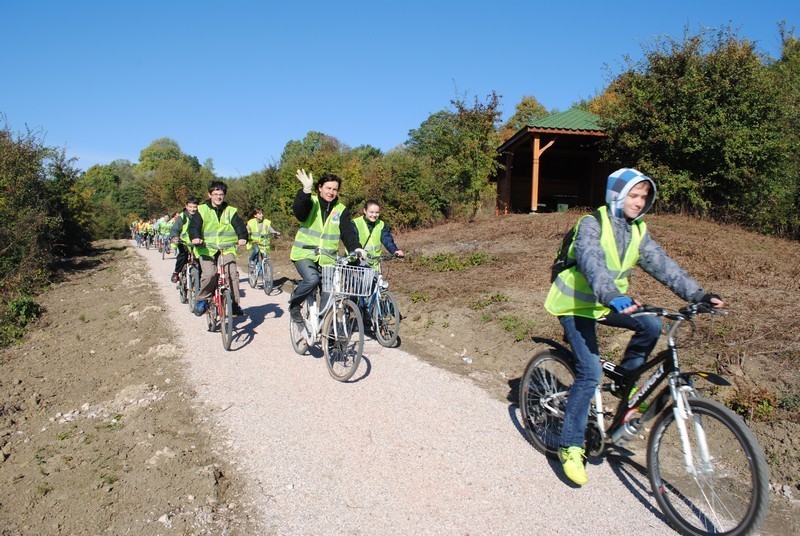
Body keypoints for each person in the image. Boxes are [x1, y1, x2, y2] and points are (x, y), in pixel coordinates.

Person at [543, 167, 724, 486]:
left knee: (652, 326)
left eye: (644, 196)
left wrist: (700, 295)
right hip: (575, 304)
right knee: (589, 372)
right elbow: (591, 261)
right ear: (617, 194)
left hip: (607, 302)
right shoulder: (591, 223)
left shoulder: (638, 231)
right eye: (633, 195)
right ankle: (570, 447)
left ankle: (626, 382)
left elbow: (664, 266)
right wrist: (613, 294)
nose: (639, 202)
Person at [287, 169, 363, 323]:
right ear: (320, 188)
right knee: (312, 279)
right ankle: (295, 303)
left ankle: (324, 330)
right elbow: (299, 212)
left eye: (335, 189)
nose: (331, 192)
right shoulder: (311, 202)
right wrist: (305, 191)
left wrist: (356, 248)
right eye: (328, 188)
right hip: (304, 254)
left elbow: (348, 233)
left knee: (328, 293)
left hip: (328, 258)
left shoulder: (340, 210)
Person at [188, 181, 249, 318]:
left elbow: (239, 226)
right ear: (209, 195)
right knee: (209, 274)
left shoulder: (230, 211)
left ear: (224, 195)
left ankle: (233, 303)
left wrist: (243, 237)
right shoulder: (202, 209)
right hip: (206, 249)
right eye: (215, 194)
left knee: (232, 274)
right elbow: (194, 226)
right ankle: (203, 299)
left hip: (226, 249)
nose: (218, 197)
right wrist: (196, 237)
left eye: (221, 194)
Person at [351, 199, 404, 270]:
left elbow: (387, 239)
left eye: (377, 212)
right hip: (358, 263)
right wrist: (357, 252)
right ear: (364, 211)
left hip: (375, 264)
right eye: (371, 212)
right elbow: (352, 241)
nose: (374, 215)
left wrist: (395, 250)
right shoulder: (355, 223)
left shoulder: (381, 224)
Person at [170, 196, 199, 283]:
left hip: (196, 243)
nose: (192, 209)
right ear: (186, 206)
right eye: (190, 207)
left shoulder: (200, 216)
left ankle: (199, 279)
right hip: (184, 242)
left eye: (195, 207)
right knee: (183, 256)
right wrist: (175, 237)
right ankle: (176, 272)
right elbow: (175, 229)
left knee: (200, 260)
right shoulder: (182, 217)